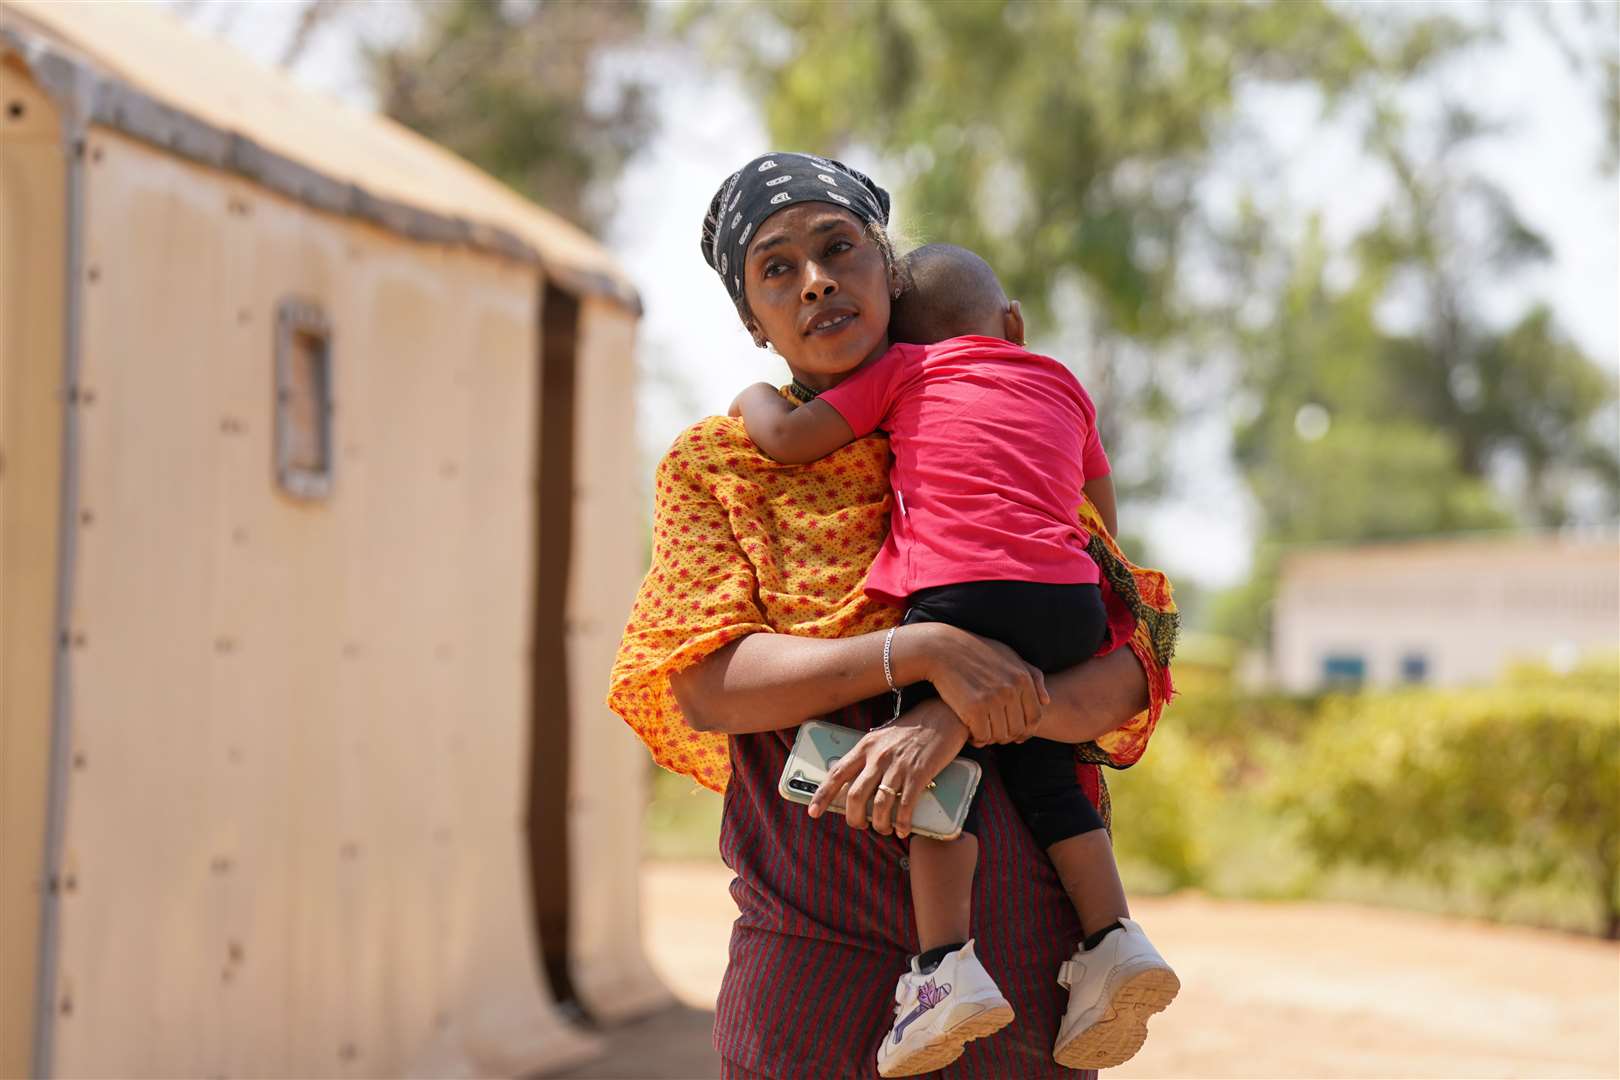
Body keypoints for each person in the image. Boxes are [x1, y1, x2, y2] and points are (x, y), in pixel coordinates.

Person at [607, 152, 1178, 1080]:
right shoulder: (721, 466)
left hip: (1025, 957)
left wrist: (951, 715)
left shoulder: (1004, 443)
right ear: (754, 323)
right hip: (810, 951)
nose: (817, 279)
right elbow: (709, 686)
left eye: (839, 248)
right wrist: (922, 649)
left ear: (888, 273)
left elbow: (1132, 659)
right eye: (777, 268)